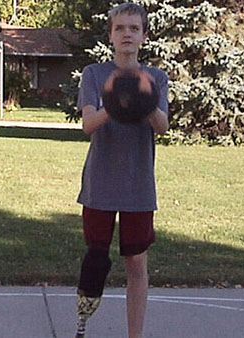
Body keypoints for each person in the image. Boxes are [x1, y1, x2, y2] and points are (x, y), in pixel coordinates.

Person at [74, 3, 169, 338]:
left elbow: (162, 125)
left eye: (133, 28)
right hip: (100, 183)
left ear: (143, 36)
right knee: (96, 259)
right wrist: (115, 101)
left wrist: (142, 99)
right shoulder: (94, 74)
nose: (127, 34)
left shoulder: (156, 78)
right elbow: (88, 124)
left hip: (138, 186)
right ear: (111, 35)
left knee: (136, 264)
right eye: (120, 28)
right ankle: (83, 323)